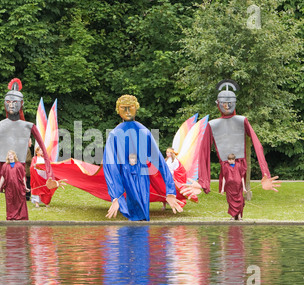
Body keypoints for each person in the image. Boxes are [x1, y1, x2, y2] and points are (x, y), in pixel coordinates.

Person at [181, 80, 281, 217]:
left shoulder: (241, 120)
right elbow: (203, 152)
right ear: (218, 104)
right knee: (232, 190)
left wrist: (265, 173)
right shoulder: (213, 125)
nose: (226, 106)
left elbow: (258, 145)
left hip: (240, 163)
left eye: (229, 103)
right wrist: (203, 182)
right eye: (223, 103)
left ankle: (237, 217)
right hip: (226, 165)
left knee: (237, 190)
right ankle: (236, 218)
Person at [103, 94, 184, 221]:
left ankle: (139, 234)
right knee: (136, 214)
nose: (128, 112)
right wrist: (116, 196)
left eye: (131, 107)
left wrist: (170, 191)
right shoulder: (115, 134)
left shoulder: (143, 131)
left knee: (141, 214)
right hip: (128, 175)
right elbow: (111, 166)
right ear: (118, 110)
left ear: (136, 108)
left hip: (142, 175)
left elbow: (160, 162)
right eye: (124, 108)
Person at [0, 78, 59, 191]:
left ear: (21, 103)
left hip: (20, 171)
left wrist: (50, 175)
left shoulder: (28, 126)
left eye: (14, 102)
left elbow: (45, 152)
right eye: (8, 102)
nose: (11, 105)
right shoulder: (0, 126)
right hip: (8, 173)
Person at [0, 150, 29, 220]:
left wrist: (25, 187)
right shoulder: (5, 166)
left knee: (19, 201)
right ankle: (11, 216)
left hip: (18, 187)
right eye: (9, 155)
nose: (10, 156)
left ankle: (20, 216)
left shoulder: (19, 165)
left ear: (14, 156)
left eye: (11, 154)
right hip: (9, 188)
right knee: (10, 202)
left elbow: (23, 177)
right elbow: (3, 177)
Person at [220, 153, 247, 220]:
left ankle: (239, 216)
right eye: (228, 160)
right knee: (231, 201)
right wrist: (222, 188)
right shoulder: (226, 166)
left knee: (240, 201)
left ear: (234, 159)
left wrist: (244, 187)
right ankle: (232, 216)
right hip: (229, 187)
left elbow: (242, 177)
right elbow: (224, 177)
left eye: (231, 160)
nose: (229, 161)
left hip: (238, 187)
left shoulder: (239, 165)